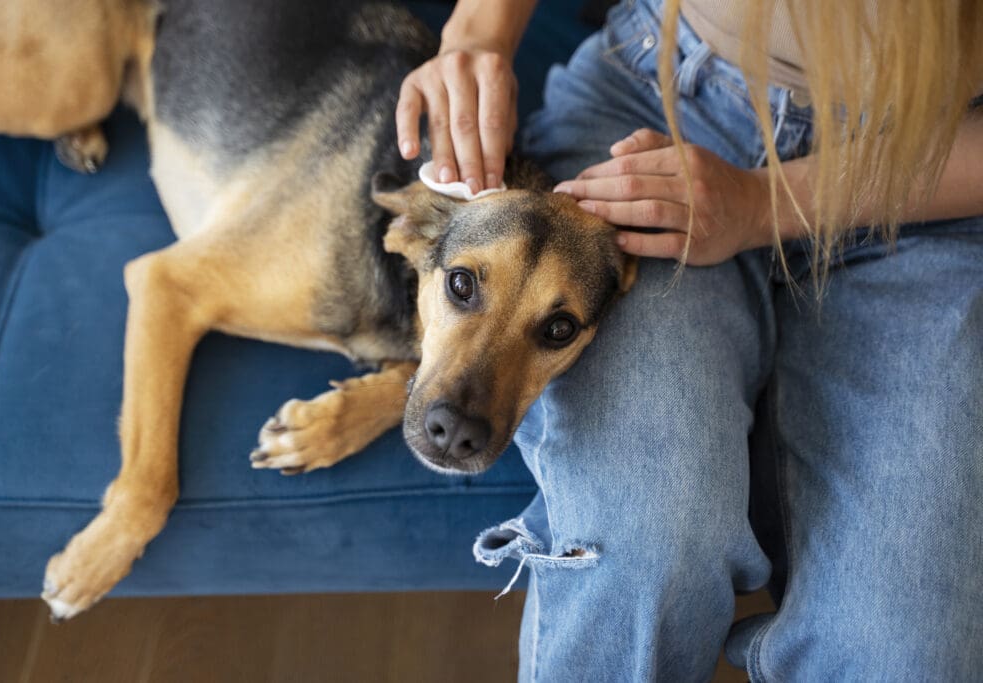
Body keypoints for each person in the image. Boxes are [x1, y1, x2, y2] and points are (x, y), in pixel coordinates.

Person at [397, 0, 983, 679]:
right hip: (658, 105)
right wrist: (478, 33)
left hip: (932, 173)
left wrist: (761, 204)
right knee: (644, 540)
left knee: (906, 651)